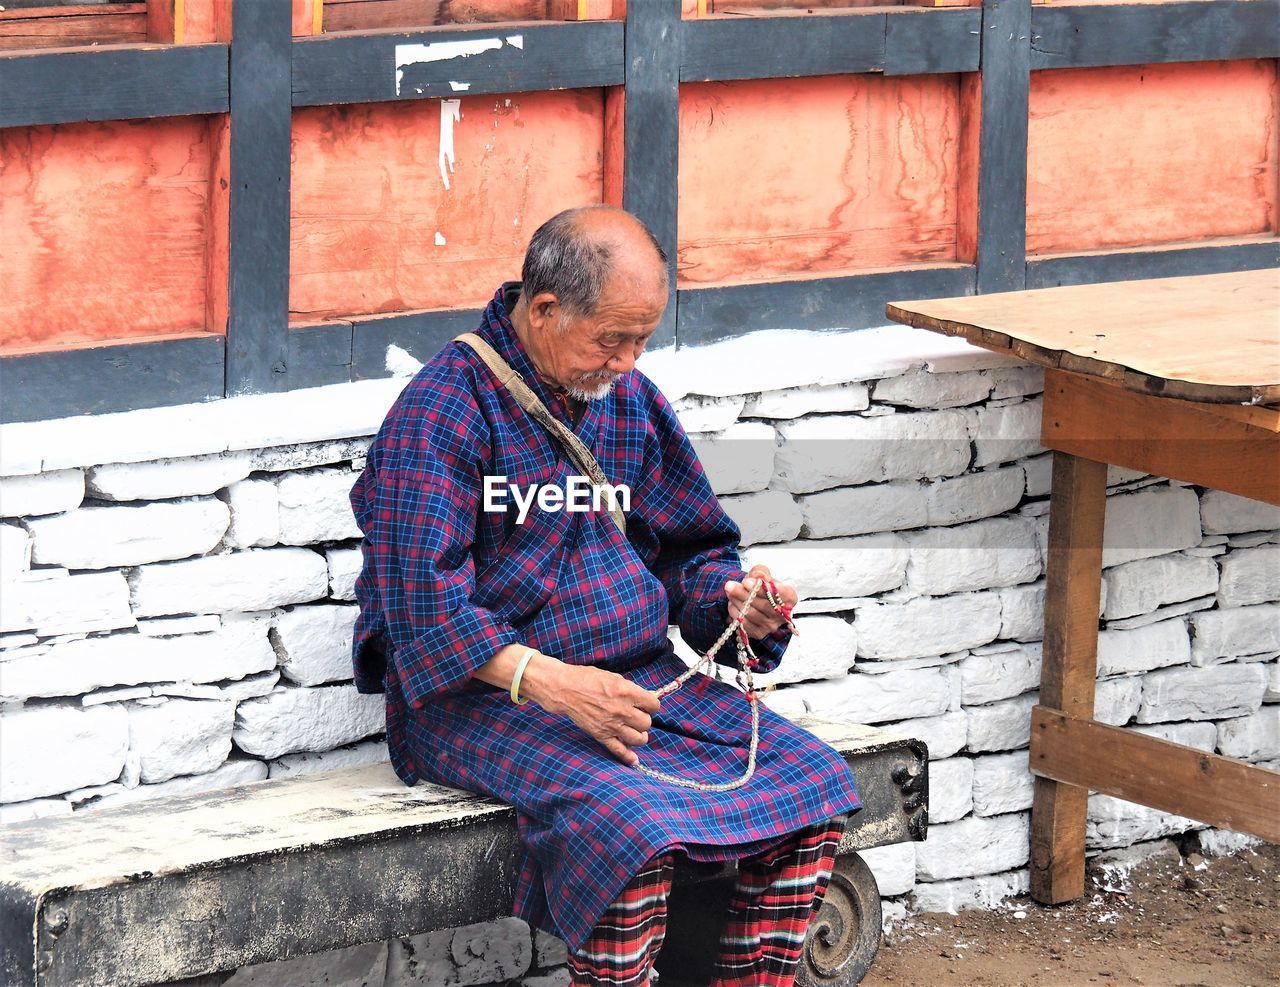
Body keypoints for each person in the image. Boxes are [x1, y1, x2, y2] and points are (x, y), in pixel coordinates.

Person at [349, 205, 862, 987]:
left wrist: (731, 601)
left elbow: (690, 550)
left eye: (642, 339)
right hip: (482, 700)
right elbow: (424, 611)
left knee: (813, 784)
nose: (628, 360)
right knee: (631, 827)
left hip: (634, 683)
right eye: (611, 339)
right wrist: (556, 684)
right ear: (544, 309)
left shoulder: (627, 399)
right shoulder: (442, 412)